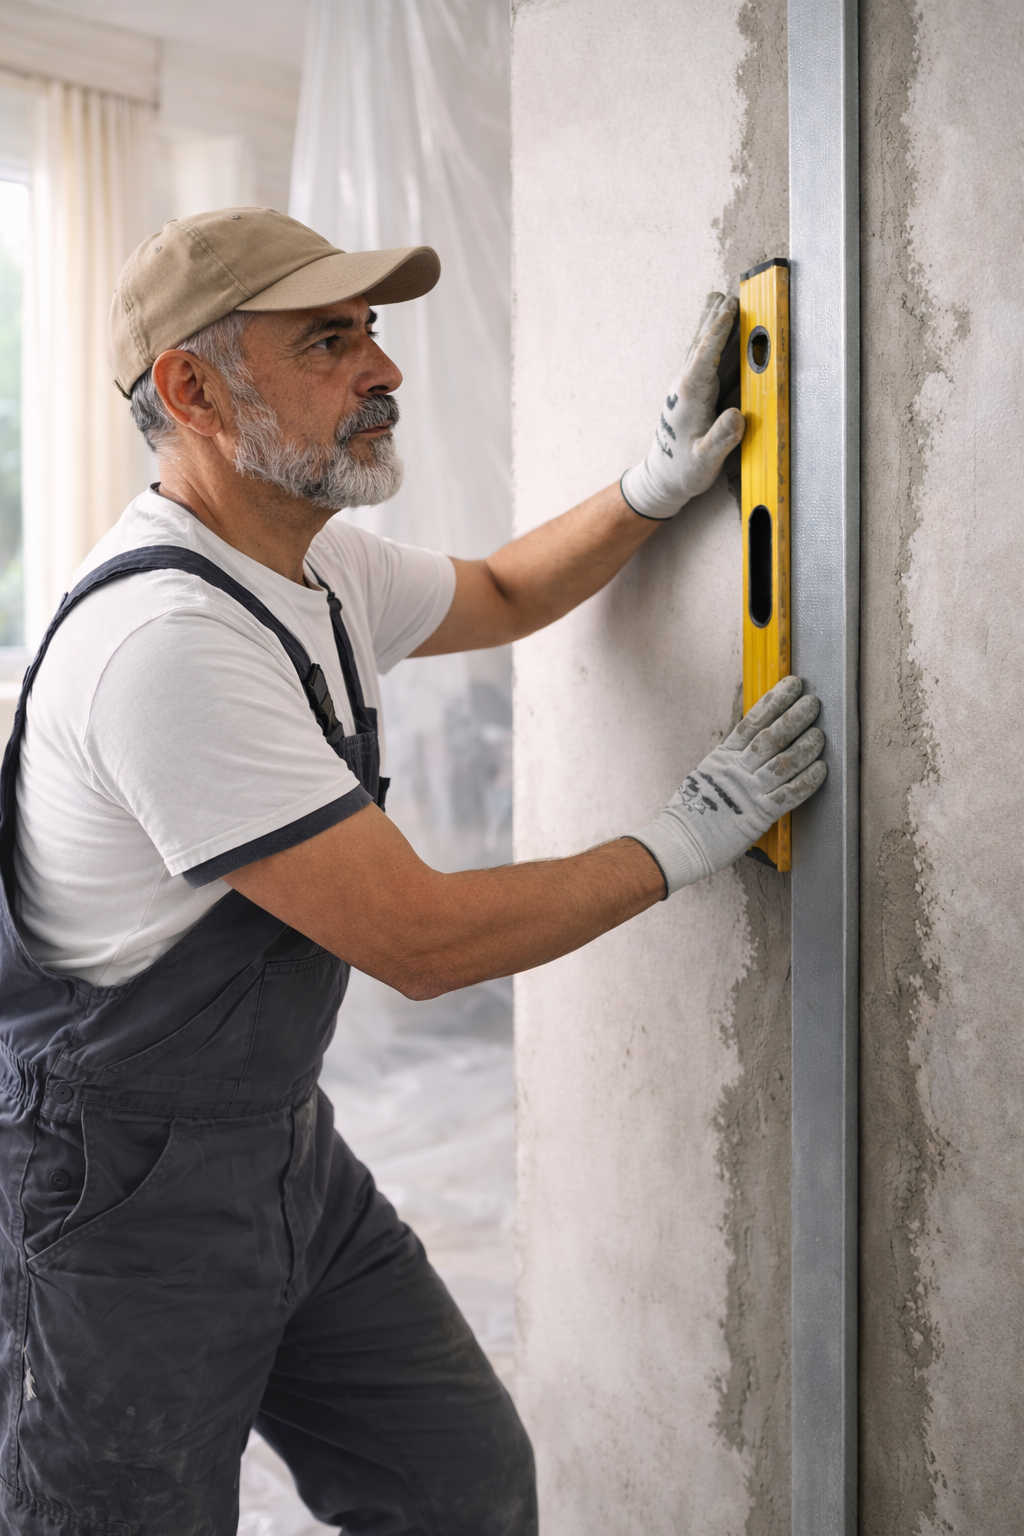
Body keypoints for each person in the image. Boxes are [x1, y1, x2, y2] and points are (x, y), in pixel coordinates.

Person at [0, 208, 825, 1535]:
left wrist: (649, 486)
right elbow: (422, 942)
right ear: (194, 390)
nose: (383, 369)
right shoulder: (166, 640)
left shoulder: (310, 570)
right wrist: (681, 838)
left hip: (278, 1150)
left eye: (373, 331)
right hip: (114, 1194)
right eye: (330, 341)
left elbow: (499, 589)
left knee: (456, 1480)